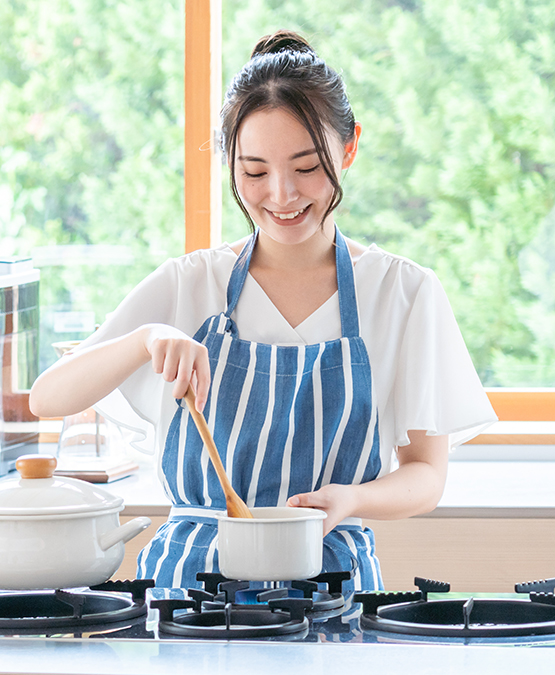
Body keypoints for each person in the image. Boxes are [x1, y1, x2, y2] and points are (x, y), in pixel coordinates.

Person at [28, 30, 497, 592]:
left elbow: (426, 475)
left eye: (307, 166)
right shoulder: (190, 284)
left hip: (331, 586)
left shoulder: (404, 292)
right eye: (254, 172)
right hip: (190, 593)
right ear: (229, 162)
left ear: (349, 148)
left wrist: (353, 500)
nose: (281, 194)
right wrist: (146, 338)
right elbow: (47, 397)